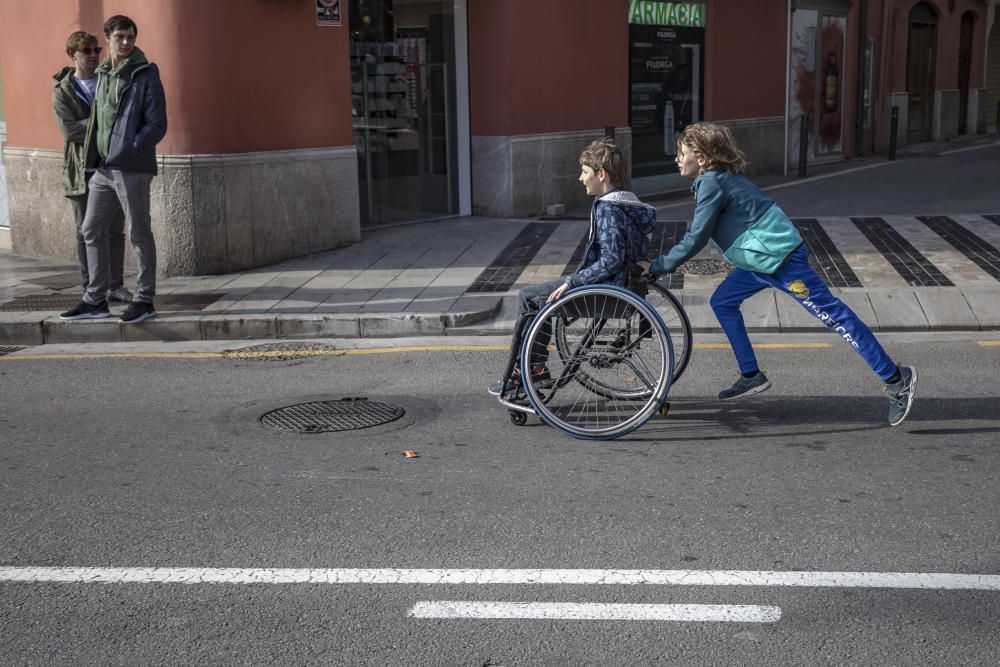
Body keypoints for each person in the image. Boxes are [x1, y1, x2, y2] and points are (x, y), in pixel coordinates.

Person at [647, 122, 916, 426]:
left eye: (682, 153)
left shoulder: (713, 182)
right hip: (759, 264)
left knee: (836, 317)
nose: (677, 159)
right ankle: (750, 374)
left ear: (704, 156)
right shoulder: (717, 179)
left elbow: (696, 237)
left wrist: (658, 266)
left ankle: (896, 379)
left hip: (782, 263)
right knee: (722, 301)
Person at [488, 137, 657, 399]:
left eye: (585, 172)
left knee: (529, 297)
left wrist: (573, 281)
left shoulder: (608, 208)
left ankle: (530, 370)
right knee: (538, 295)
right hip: (622, 287)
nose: (580, 178)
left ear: (601, 175)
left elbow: (611, 260)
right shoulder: (629, 203)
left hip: (605, 290)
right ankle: (533, 367)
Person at [60, 15, 167, 324]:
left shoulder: (145, 74)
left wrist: (130, 148)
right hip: (104, 169)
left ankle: (144, 299)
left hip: (131, 167)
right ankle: (95, 299)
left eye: (130, 36)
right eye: (119, 36)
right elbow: (99, 120)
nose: (125, 41)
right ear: (107, 38)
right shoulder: (105, 72)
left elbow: (157, 125)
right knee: (91, 228)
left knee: (138, 231)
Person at [53, 31, 131, 306]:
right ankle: (91, 288)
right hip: (81, 171)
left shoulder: (107, 82)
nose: (93, 55)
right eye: (86, 50)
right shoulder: (63, 90)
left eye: (96, 49)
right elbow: (68, 130)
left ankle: (116, 286)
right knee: (84, 231)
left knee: (114, 231)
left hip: (110, 167)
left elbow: (121, 120)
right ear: (72, 54)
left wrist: (91, 123)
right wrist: (98, 123)